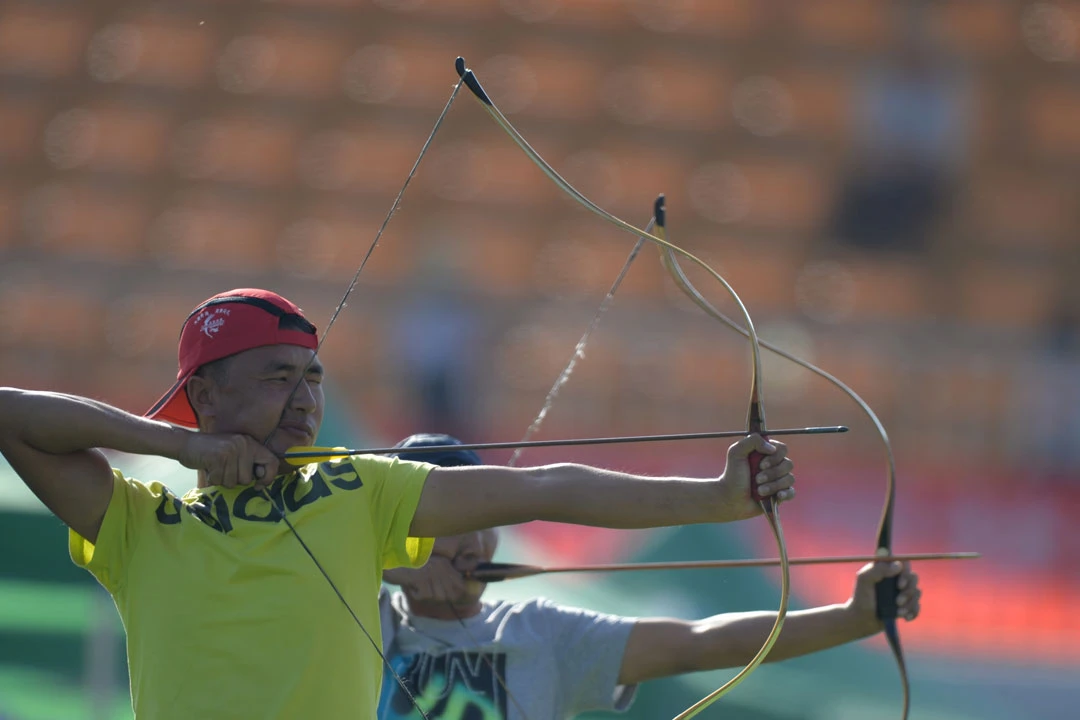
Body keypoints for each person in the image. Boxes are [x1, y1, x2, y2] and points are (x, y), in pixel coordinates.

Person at [0, 288, 797, 720]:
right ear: (203, 394)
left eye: (312, 376)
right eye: (278, 376)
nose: (308, 397)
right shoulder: (140, 521)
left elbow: (544, 488)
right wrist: (182, 449)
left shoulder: (357, 489)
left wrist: (719, 496)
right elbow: (12, 413)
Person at [380, 434, 921, 720]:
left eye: (482, 518)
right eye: (448, 522)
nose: (472, 540)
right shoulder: (352, 608)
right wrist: (386, 568)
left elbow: (700, 643)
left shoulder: (540, 634)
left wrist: (855, 618)